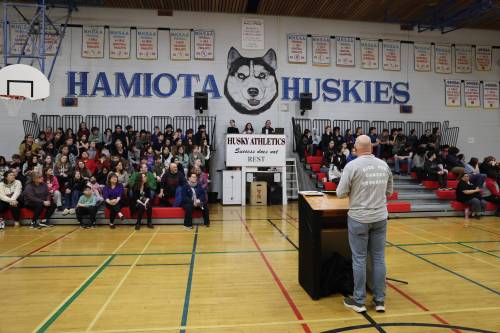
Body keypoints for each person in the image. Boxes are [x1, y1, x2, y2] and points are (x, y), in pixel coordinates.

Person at [336, 135, 393, 313]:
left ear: (357, 148)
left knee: (359, 259)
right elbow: (389, 192)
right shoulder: (383, 165)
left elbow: (340, 193)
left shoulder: (352, 166)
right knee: (378, 258)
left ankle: (359, 301)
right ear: (371, 148)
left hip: (359, 218)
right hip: (380, 218)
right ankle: (380, 300)